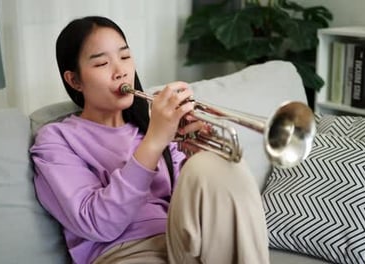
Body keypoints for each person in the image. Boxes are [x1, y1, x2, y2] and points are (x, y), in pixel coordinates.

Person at [30, 16, 270, 264]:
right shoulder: (56, 139)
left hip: (184, 244)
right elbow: (97, 224)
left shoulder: (152, 125)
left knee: (223, 164)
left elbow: (190, 206)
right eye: (102, 63)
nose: (120, 71)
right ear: (74, 80)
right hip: (126, 254)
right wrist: (154, 142)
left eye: (125, 57)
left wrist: (196, 156)